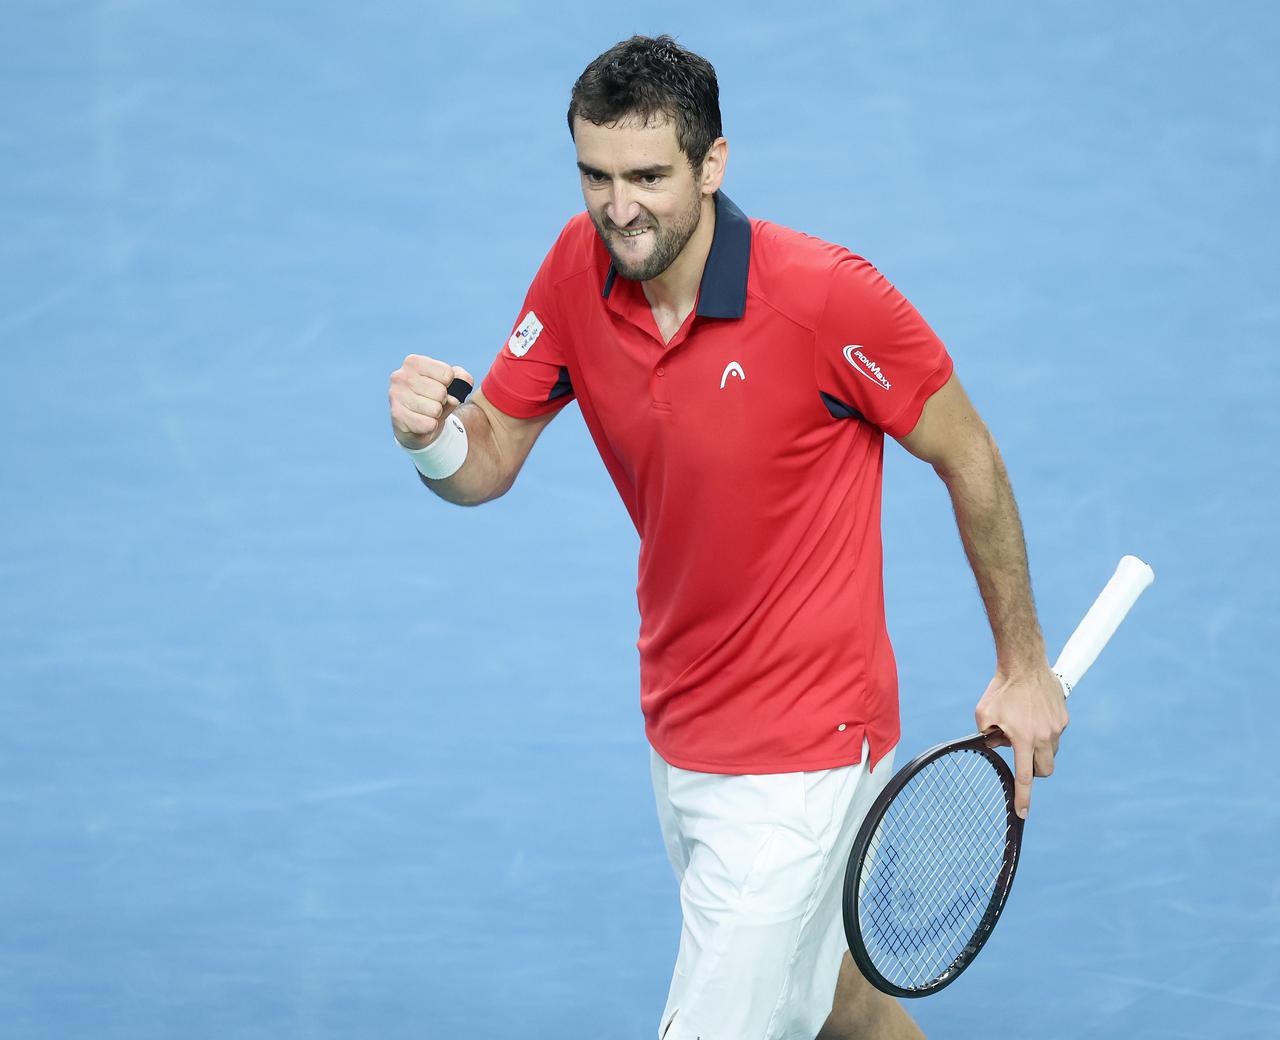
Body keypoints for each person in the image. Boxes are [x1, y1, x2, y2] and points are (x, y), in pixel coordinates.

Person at [385, 34, 1067, 1040]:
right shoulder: (577, 271)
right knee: (846, 1007)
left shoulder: (825, 298)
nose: (619, 208)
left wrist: (1022, 662)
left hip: (804, 752)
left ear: (712, 164)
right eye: (595, 176)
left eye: (649, 177)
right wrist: (434, 438)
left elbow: (970, 456)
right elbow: (487, 461)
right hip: (682, 724)